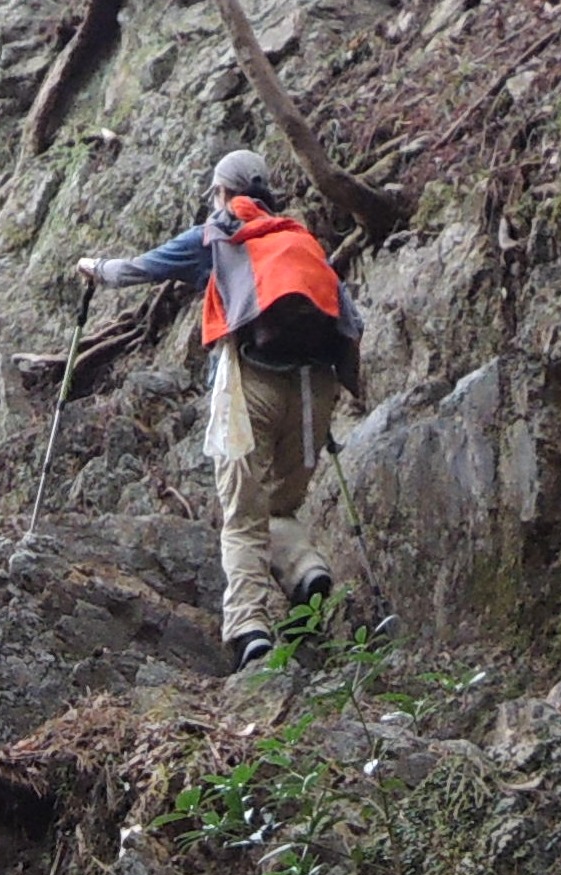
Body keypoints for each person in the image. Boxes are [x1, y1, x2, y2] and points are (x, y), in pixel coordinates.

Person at [78, 149, 363, 669]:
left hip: (252, 386)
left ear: (224, 192)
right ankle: (306, 570)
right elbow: (349, 318)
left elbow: (139, 268)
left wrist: (95, 269)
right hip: (314, 391)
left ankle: (250, 629)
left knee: (242, 515)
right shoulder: (299, 239)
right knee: (279, 507)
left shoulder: (216, 235)